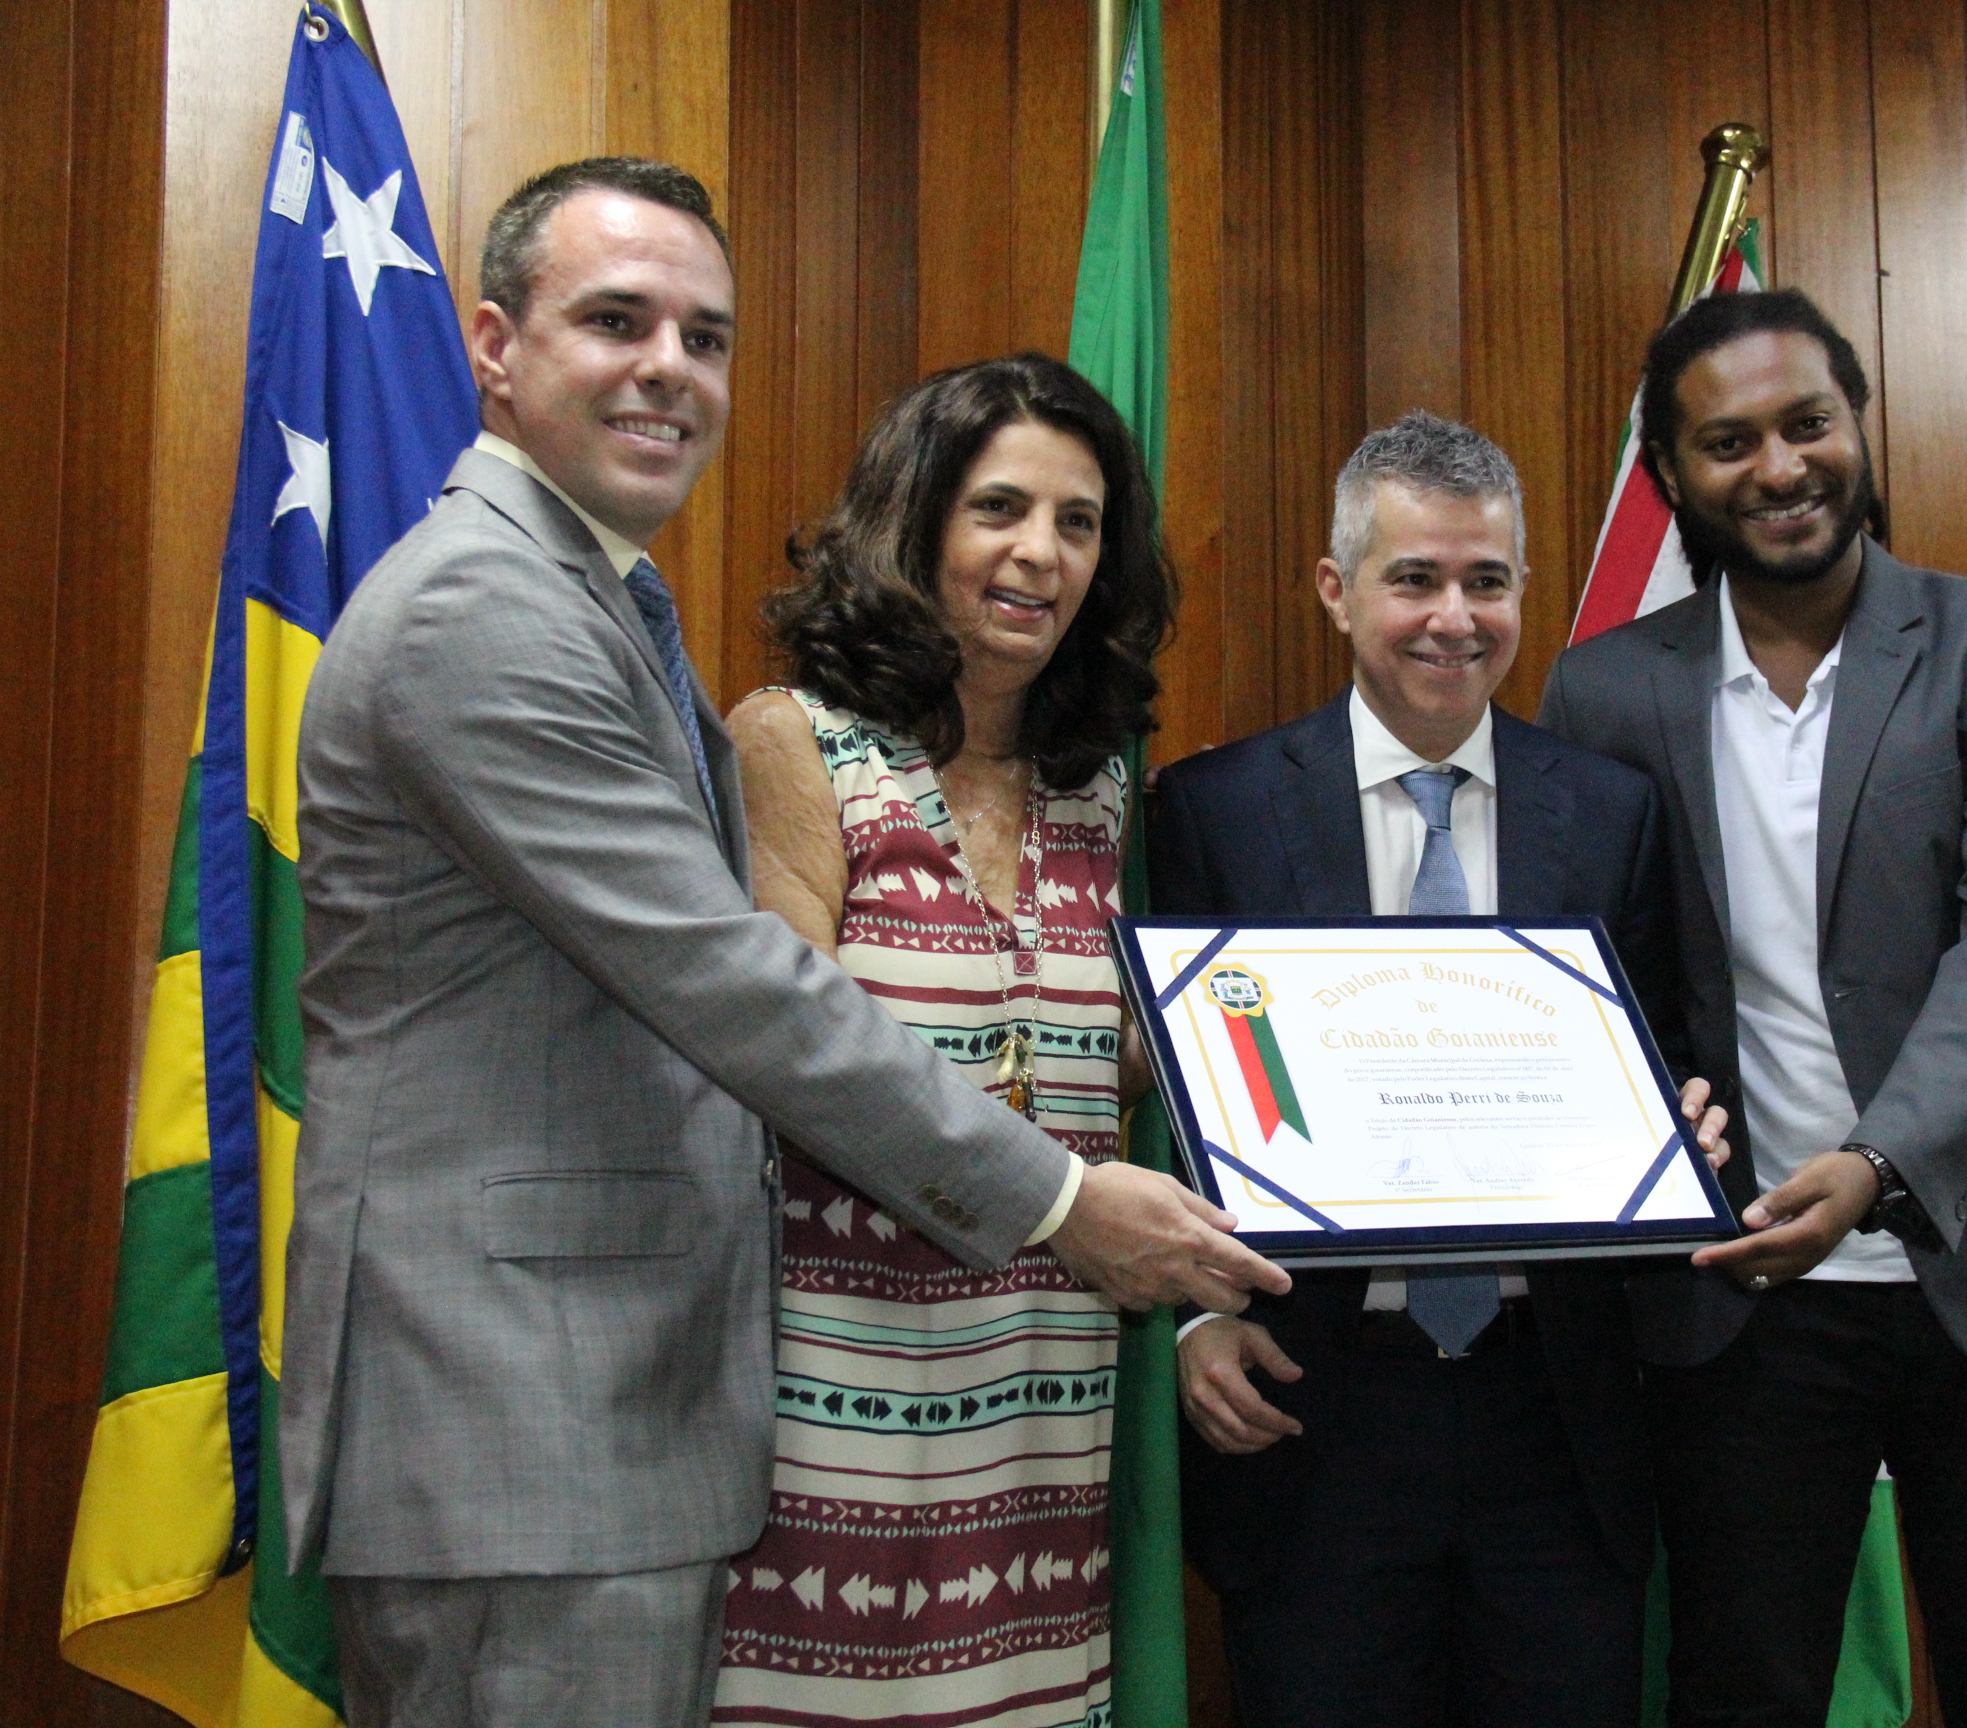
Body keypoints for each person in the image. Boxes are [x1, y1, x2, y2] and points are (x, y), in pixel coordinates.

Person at [284, 159, 1284, 1728]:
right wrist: (1064, 1198)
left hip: (650, 1416)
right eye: (619, 321)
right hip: (528, 1412)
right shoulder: (481, 612)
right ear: (492, 345)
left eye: (705, 335)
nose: (670, 369)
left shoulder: (597, 601)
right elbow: (733, 982)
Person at [1536, 288, 1967, 1726]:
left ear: (1859, 426)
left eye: (1808, 422)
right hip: (1738, 1298)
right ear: (1677, 479)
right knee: (1742, 1691)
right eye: (1729, 441)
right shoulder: (1607, 689)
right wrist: (1650, 1102)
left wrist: (1876, 1166)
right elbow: (1601, 967)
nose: (1781, 466)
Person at [1150, 412, 1721, 1728]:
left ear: (1523, 587)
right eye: (1415, 578)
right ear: (1338, 590)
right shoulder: (1215, 810)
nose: (1453, 618)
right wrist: (1190, 1319)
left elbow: (1666, 1060)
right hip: (1308, 1410)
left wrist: (1684, 1126)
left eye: (1487, 580)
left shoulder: (1614, 811)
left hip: (1558, 1413)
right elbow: (1166, 1111)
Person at [709, 354, 1166, 1727]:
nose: (1040, 554)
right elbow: (793, 1069)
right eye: (999, 509)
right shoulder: (794, 745)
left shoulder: (1100, 797)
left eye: (1078, 523)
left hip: (1039, 1423)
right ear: (917, 524)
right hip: (827, 1414)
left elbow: (1131, 1069)